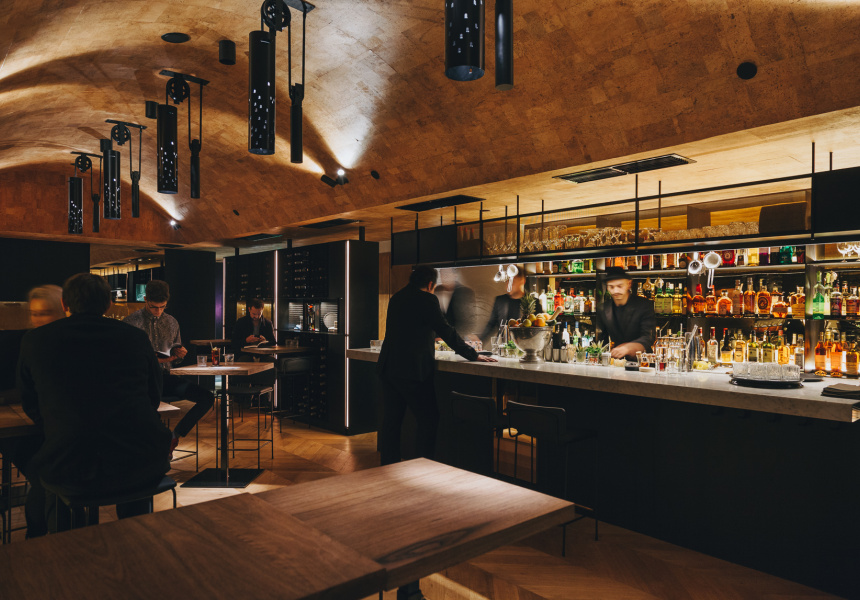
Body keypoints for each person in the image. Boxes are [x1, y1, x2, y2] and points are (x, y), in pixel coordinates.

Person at [17, 273, 173, 533]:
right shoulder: (135, 337)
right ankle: (138, 539)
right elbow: (153, 396)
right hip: (138, 459)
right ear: (108, 304)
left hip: (70, 462)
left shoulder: (36, 340)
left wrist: (59, 424)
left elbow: (30, 402)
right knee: (136, 481)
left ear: (64, 304)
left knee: (52, 482)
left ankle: (65, 548)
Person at [377, 265, 496, 600]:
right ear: (430, 284)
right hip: (413, 370)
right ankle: (423, 470)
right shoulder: (427, 300)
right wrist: (473, 354)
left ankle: (387, 471)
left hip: (390, 367)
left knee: (392, 421)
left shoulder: (398, 297)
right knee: (429, 418)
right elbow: (445, 331)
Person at [124, 280, 214, 451]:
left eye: (162, 307)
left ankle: (175, 435)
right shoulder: (131, 322)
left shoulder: (172, 322)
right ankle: (156, 447)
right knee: (150, 409)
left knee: (207, 398)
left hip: (165, 379)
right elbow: (125, 358)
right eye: (153, 307)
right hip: (141, 380)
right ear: (145, 300)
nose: (158, 311)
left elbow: (175, 357)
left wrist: (179, 354)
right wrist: (155, 360)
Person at [594, 267, 656, 360]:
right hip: (616, 361)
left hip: (642, 361)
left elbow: (648, 337)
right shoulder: (603, 309)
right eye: (611, 287)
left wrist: (628, 348)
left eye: (619, 286)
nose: (615, 291)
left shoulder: (644, 305)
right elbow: (602, 341)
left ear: (629, 284)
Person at [480, 270, 526, 342]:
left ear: (522, 281)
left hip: (524, 346)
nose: (508, 284)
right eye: (507, 281)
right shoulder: (500, 300)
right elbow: (491, 324)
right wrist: (479, 340)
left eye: (512, 281)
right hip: (503, 346)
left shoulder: (534, 302)